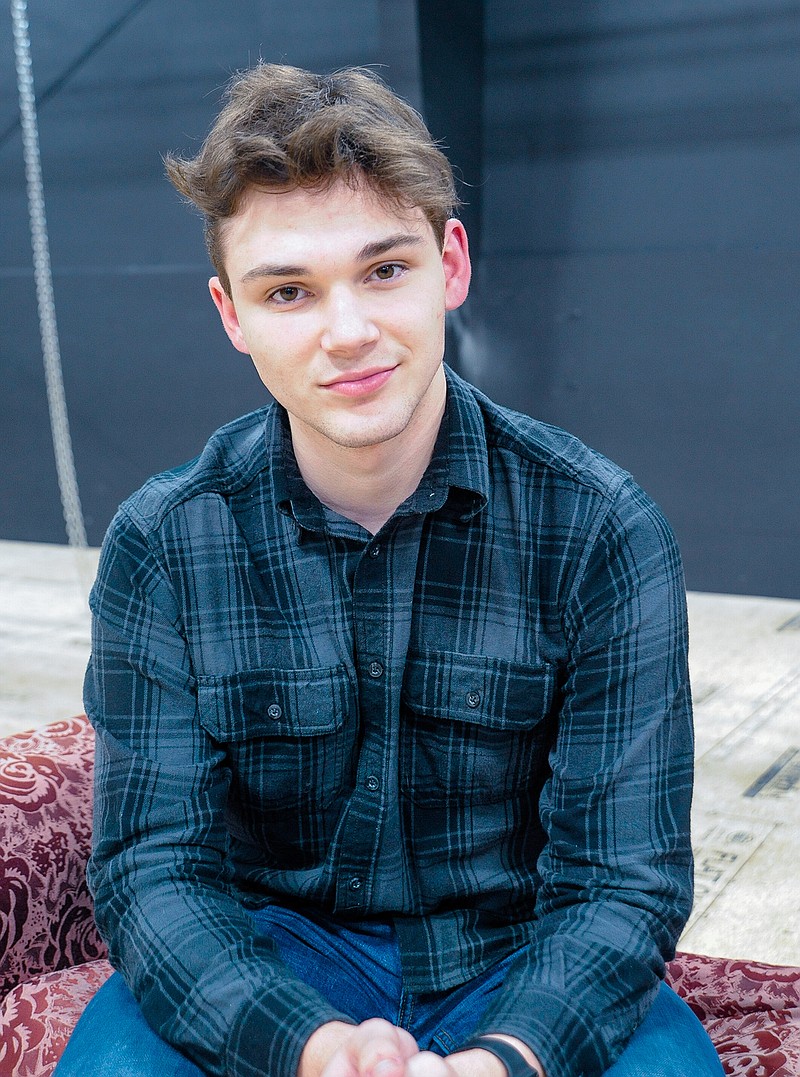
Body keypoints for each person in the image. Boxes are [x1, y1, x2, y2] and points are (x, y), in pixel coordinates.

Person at [56, 64, 724, 1077]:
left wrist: (510, 1057)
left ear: (449, 264)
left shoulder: (601, 529)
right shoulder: (166, 541)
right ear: (232, 315)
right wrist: (309, 1047)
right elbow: (158, 871)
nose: (349, 332)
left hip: (516, 955)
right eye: (288, 291)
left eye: (383, 270)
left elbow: (616, 883)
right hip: (272, 955)